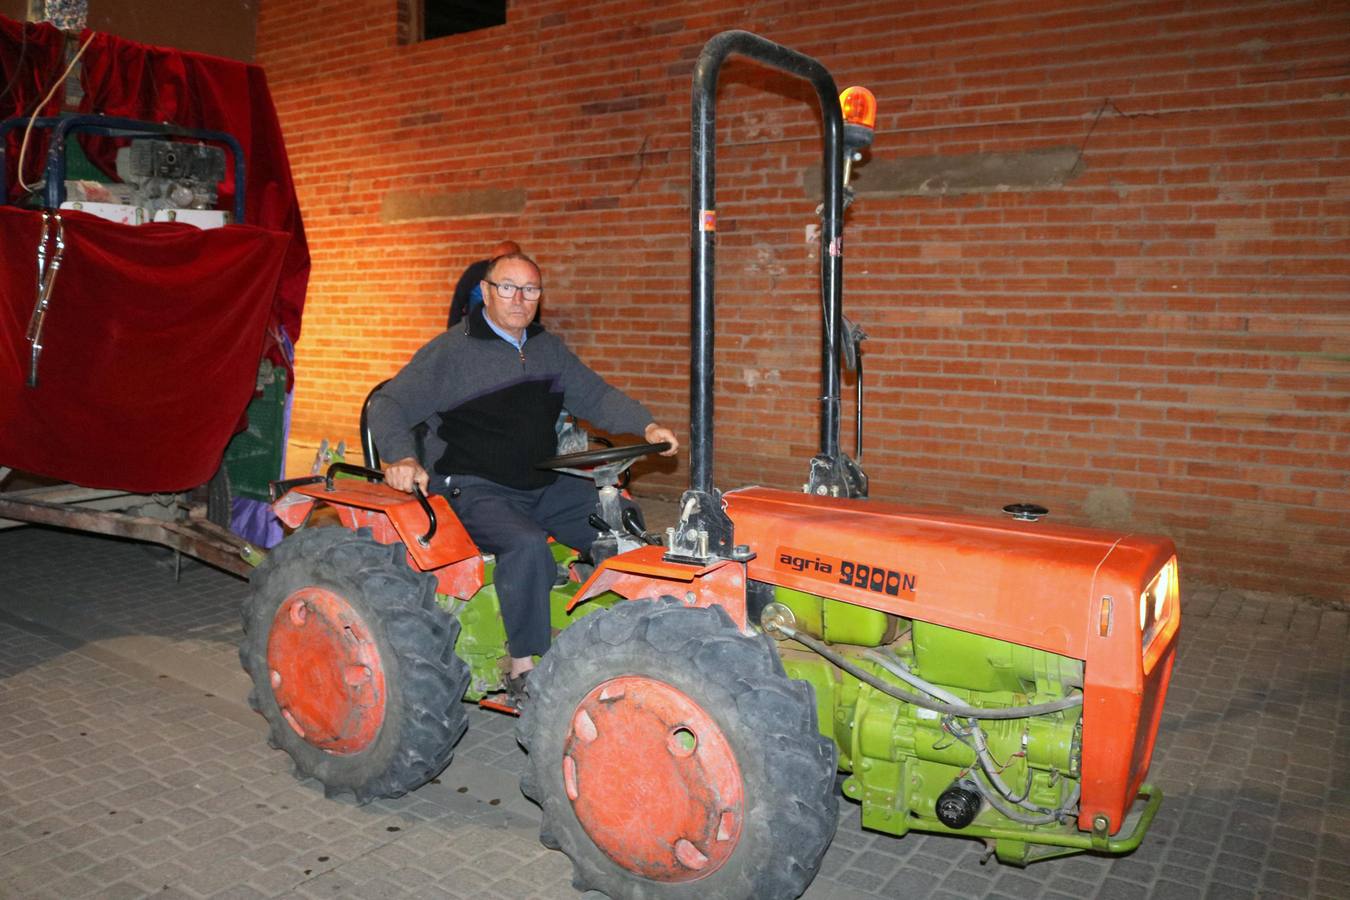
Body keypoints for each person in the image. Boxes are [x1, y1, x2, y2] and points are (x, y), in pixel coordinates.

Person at [370, 252, 679, 708]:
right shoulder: (451, 352)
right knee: (526, 544)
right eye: (508, 287)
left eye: (530, 289)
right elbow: (388, 404)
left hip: (537, 478)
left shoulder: (547, 349)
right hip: (472, 483)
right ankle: (522, 665)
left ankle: (623, 626)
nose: (519, 299)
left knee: (619, 517)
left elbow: (594, 394)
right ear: (487, 292)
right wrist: (400, 456)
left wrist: (647, 425)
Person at [447, 239, 520, 328]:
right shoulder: (475, 272)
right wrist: (452, 334)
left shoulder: (523, 277)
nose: (494, 264)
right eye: (493, 260)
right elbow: (457, 304)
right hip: (474, 329)